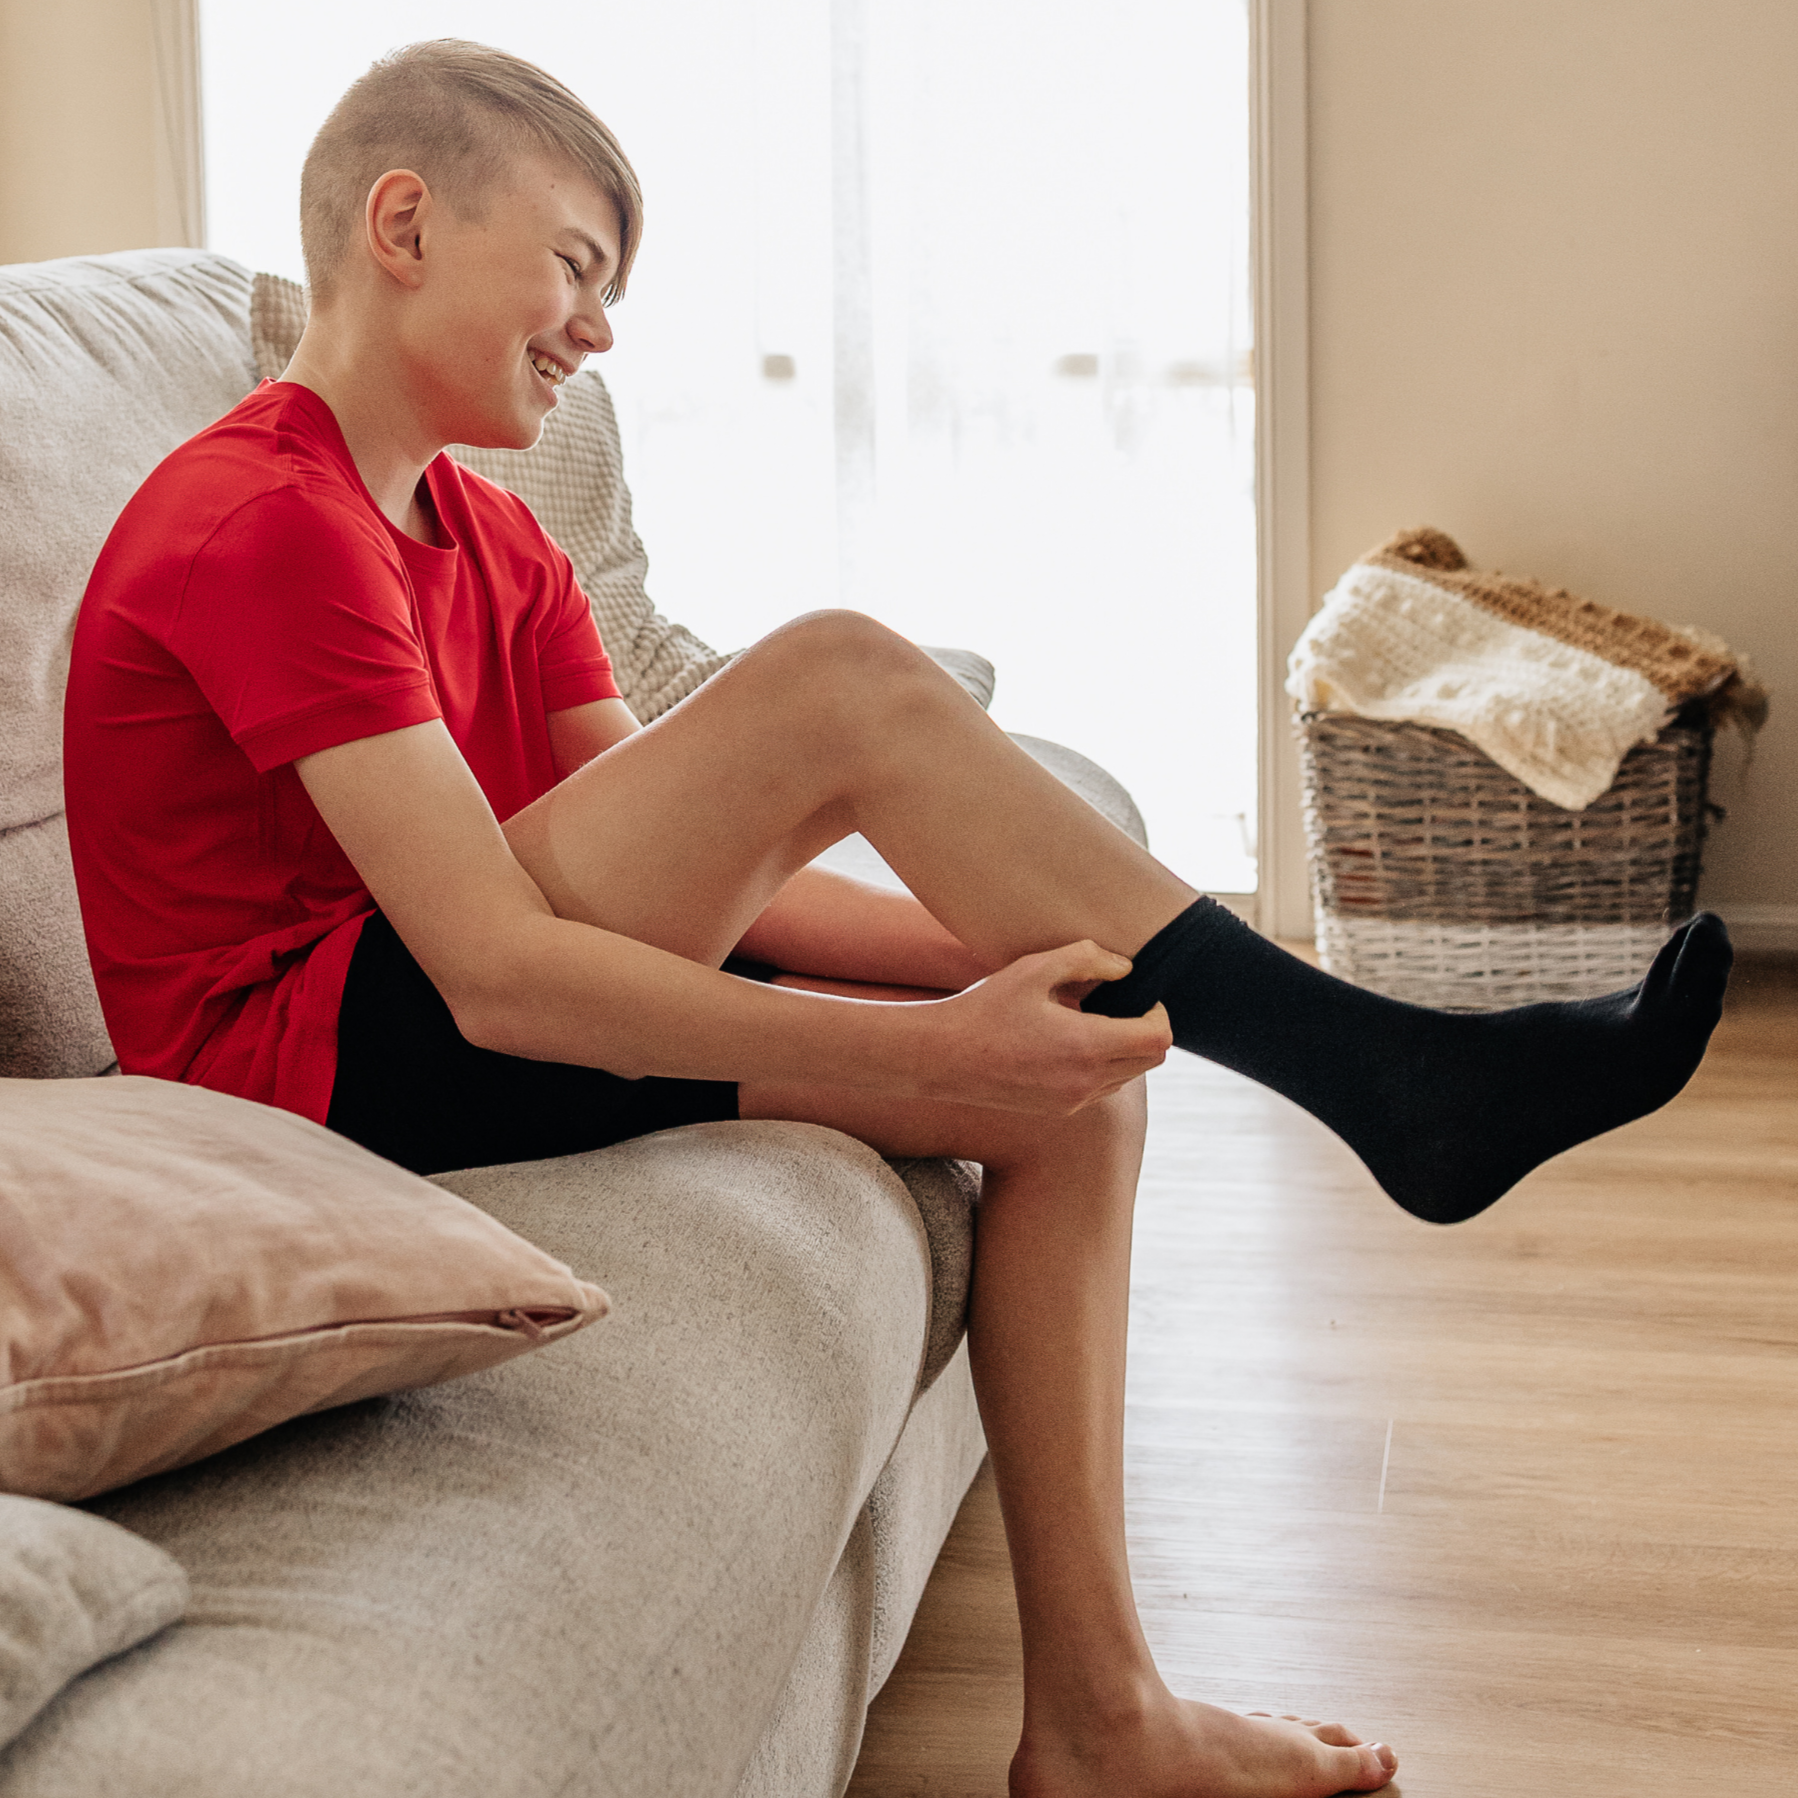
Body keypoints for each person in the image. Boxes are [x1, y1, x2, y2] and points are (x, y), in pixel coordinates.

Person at [63, 40, 1732, 1798]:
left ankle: (1099, 1719)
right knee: (839, 677)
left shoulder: (496, 539)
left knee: (1078, 1063)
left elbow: (720, 875)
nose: (598, 332)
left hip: (441, 1009)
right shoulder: (262, 514)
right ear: (402, 221)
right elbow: (493, 965)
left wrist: (1010, 954)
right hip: (300, 1071)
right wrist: (912, 1049)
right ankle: (1391, 1076)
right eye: (574, 267)